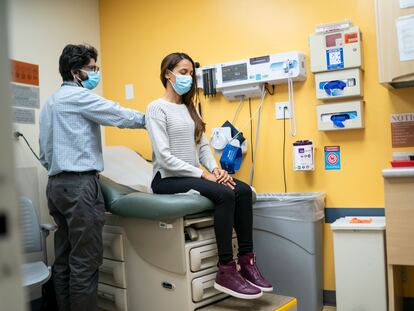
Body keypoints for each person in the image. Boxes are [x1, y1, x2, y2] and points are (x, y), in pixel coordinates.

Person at [146, 52, 273, 300]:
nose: (188, 78)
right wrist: (204, 176)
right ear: (167, 74)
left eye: (191, 74)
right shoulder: (156, 108)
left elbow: (202, 147)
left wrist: (215, 170)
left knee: (243, 190)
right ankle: (226, 268)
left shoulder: (189, 108)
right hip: (166, 179)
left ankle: (246, 261)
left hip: (193, 174)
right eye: (183, 72)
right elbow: (163, 157)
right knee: (224, 193)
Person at [39, 44, 145, 311]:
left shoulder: (50, 103)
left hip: (55, 186)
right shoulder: (79, 98)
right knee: (85, 261)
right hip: (80, 187)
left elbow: (44, 153)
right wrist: (154, 118)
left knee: (63, 259)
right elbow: (120, 115)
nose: (96, 73)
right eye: (92, 69)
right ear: (76, 72)